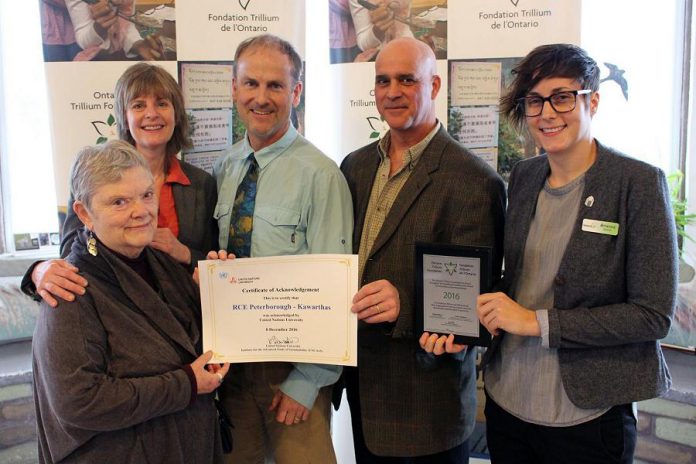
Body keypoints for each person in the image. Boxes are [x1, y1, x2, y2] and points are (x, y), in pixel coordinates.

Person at [423, 44, 677, 464]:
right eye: (534, 100)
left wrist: (534, 322)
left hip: (588, 415)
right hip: (509, 404)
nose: (546, 113)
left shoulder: (638, 183)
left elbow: (653, 314)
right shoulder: (524, 176)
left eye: (562, 97)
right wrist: (465, 327)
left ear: (592, 100)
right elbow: (517, 282)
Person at [339, 37, 505, 462]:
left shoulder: (474, 180)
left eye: (407, 80)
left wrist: (405, 303)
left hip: (426, 406)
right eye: (383, 80)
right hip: (364, 393)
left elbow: (474, 300)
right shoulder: (354, 166)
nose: (392, 91)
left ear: (433, 86)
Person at [32, 140, 229, 463]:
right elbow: (79, 401)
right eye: (119, 202)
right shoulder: (70, 290)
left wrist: (220, 295)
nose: (141, 211)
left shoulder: (161, 262)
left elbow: (195, 344)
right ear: (84, 213)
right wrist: (186, 384)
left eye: (146, 195)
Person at [211, 34, 353, 463]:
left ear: (296, 92)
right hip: (231, 375)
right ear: (234, 88)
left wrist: (308, 381)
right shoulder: (224, 168)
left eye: (275, 86)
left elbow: (338, 289)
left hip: (292, 376)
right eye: (250, 83)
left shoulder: (321, 175)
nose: (261, 97)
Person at [23, 62, 218, 307]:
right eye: (138, 105)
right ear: (124, 117)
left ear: (176, 114)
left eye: (162, 103)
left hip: (188, 316)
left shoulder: (202, 184)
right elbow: (71, 255)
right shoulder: (92, 177)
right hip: (116, 314)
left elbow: (213, 261)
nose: (152, 113)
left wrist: (184, 252)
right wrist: (38, 271)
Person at [66, 0, 163, 61]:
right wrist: (99, 28)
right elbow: (83, 40)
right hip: (94, 63)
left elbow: (127, 26)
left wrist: (137, 45)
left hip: (123, 62)